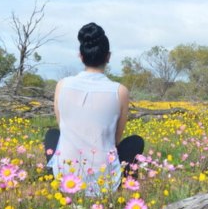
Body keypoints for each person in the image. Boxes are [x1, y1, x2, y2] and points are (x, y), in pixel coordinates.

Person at [44, 22, 144, 196]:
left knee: (52, 134)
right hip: (105, 179)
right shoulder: (120, 91)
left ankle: (56, 176)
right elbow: (115, 139)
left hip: (66, 174)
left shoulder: (62, 85)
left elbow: (64, 128)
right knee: (136, 141)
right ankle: (125, 184)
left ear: (80, 56)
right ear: (108, 57)